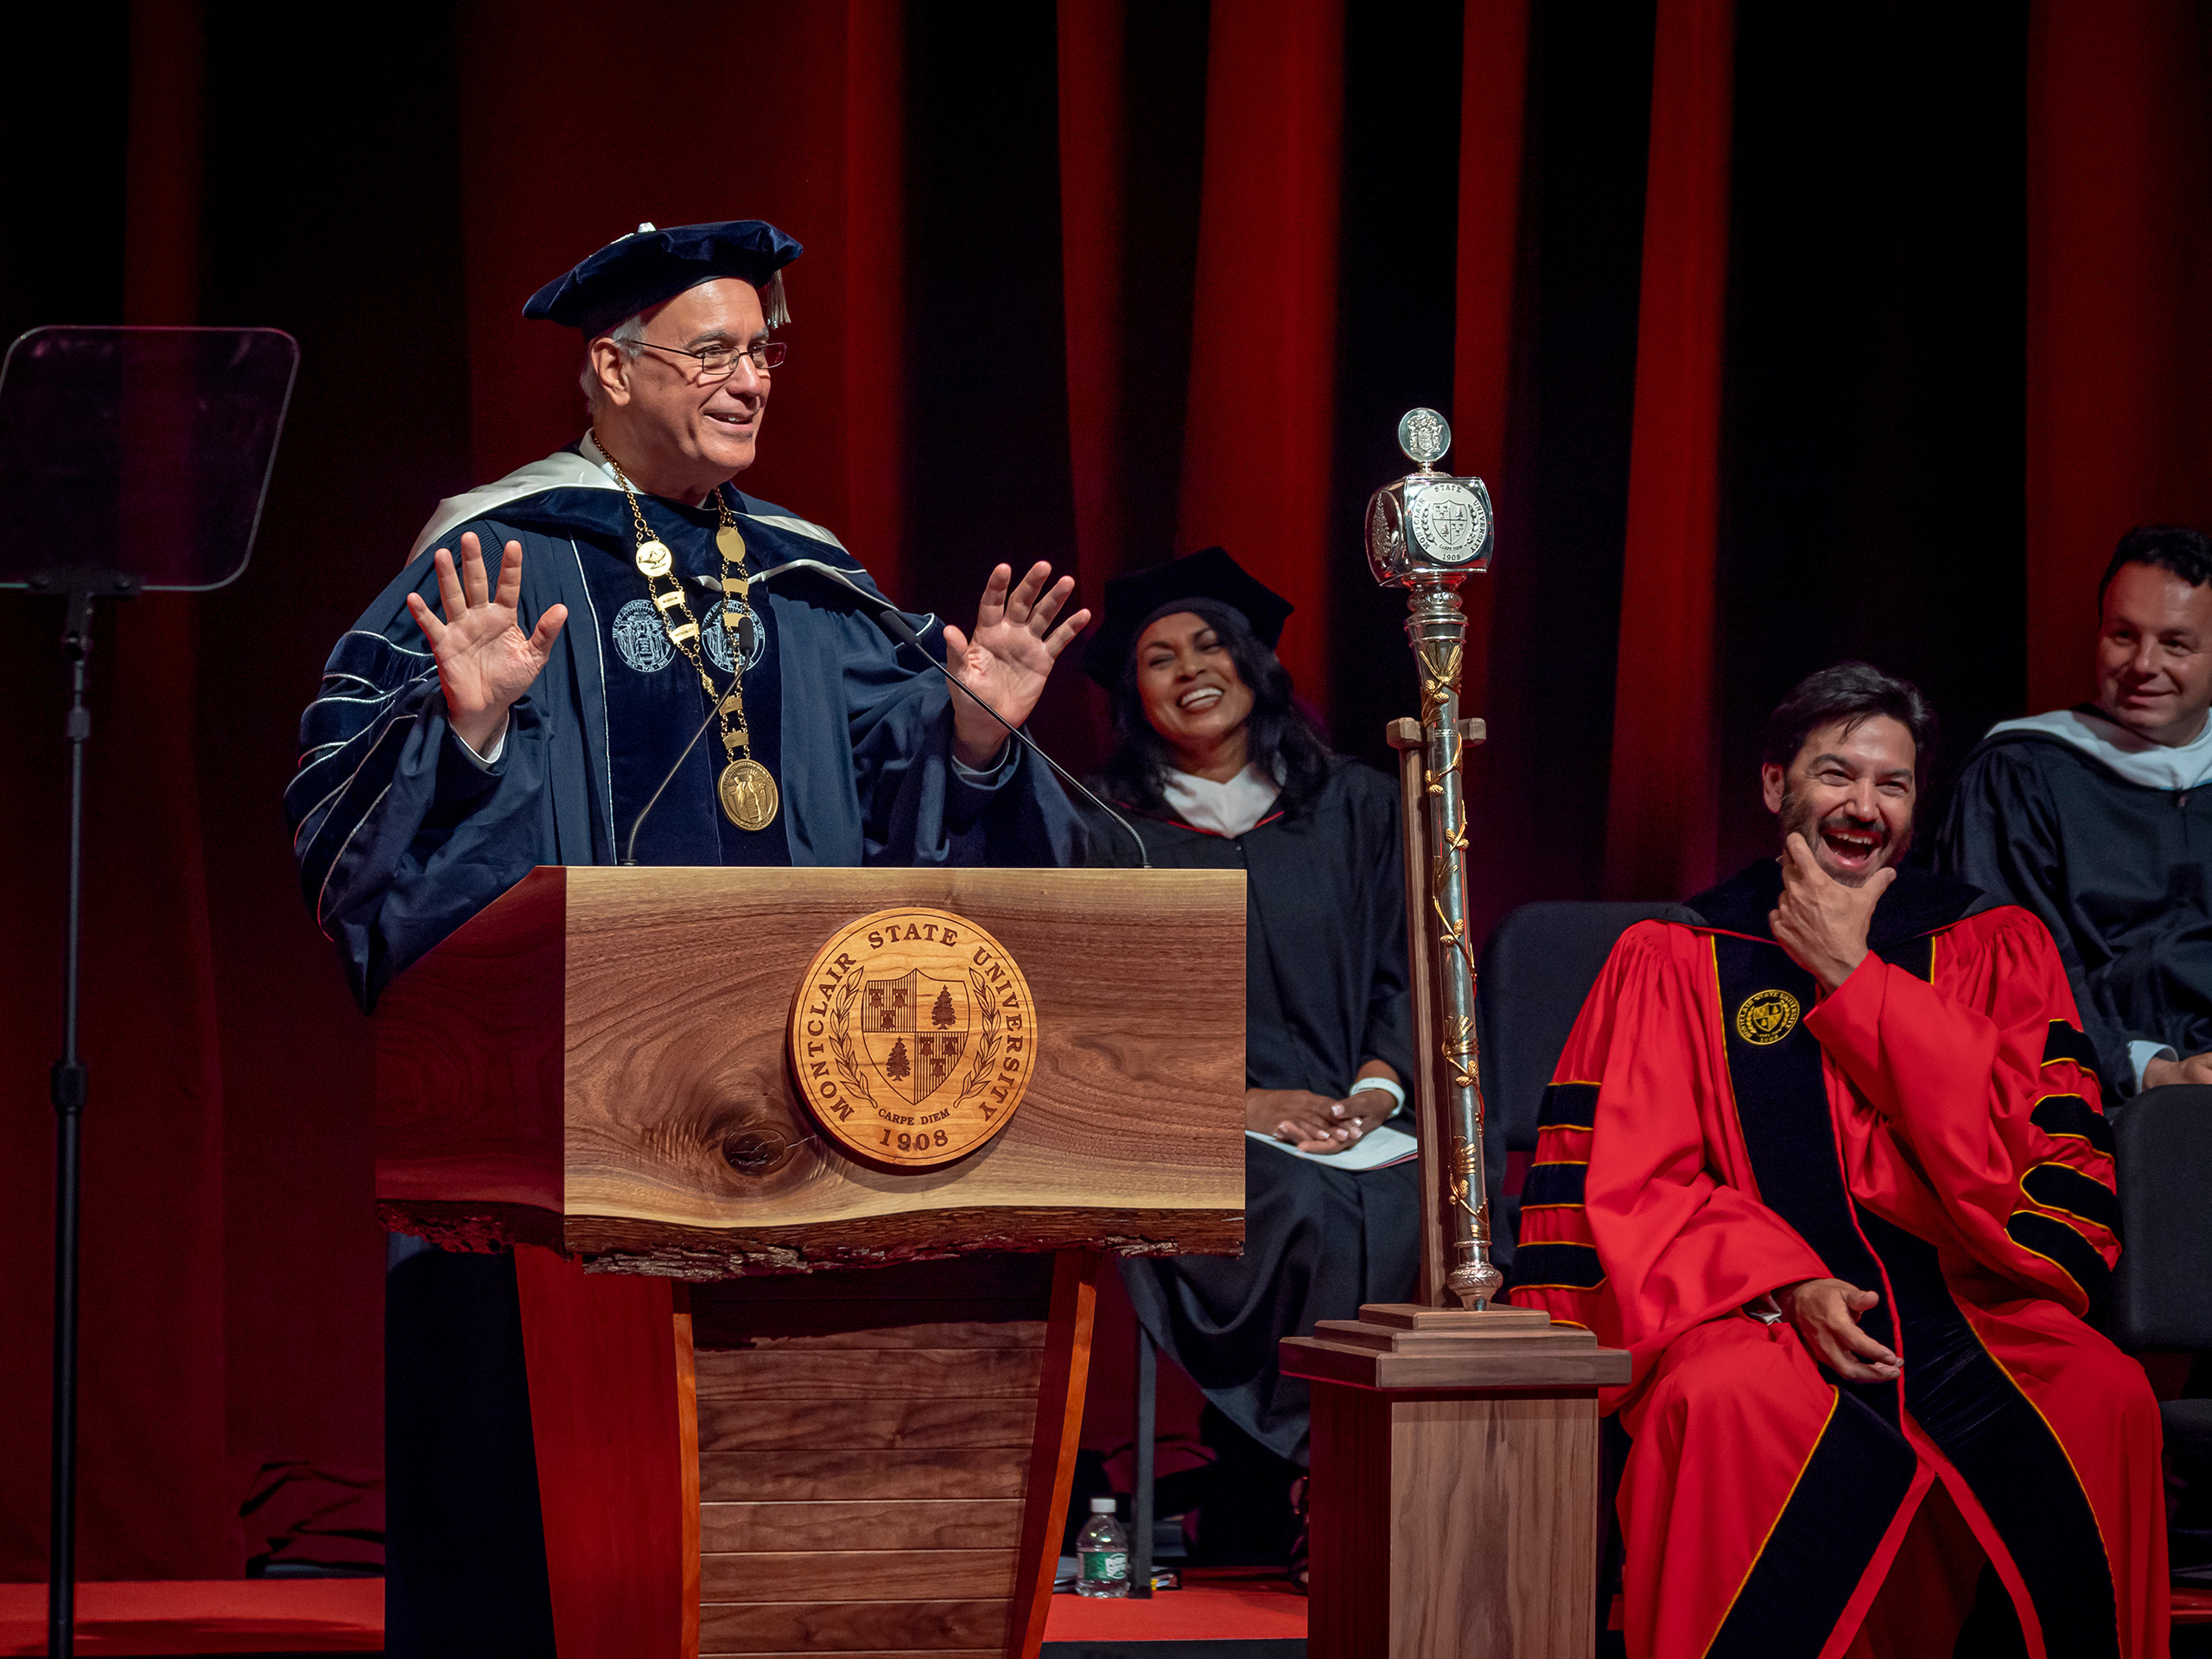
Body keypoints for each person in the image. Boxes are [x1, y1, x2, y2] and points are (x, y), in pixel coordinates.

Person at [286, 220, 1090, 1656]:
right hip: (575, 1124)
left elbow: (910, 818)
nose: (751, 380)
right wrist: (468, 732)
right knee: (541, 1511)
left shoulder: (805, 577)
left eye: (763, 353)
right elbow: (348, 813)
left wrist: (973, 736)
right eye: (713, 352)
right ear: (612, 369)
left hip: (793, 1115)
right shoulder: (496, 556)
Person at [1507, 663, 2165, 1659]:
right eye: (1835, 774)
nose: (1864, 806)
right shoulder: (1678, 955)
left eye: (1891, 783)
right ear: (1776, 783)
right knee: (1718, 1405)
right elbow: (1636, 1187)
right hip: (1754, 1313)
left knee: (2104, 1393)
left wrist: (1851, 976)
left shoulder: (1989, 944)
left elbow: (2016, 1154)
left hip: (1964, 1303)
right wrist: (1785, 1286)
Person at [1074, 547, 1420, 1577]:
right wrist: (1243, 1105)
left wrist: (1371, 1093)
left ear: (1254, 664)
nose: (1190, 669)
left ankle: (1338, 1481)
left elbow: (1409, 969)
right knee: (1303, 1206)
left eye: (1210, 644)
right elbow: (1089, 1013)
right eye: (1159, 657)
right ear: (1133, 694)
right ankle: (1319, 1484)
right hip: (1184, 1123)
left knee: (1412, 1201)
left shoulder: (1354, 806)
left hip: (1359, 1112)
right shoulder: (1105, 829)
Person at [1937, 524, 2212, 1098]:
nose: (2143, 664)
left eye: (2176, 644)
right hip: (2085, 1101)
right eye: (2123, 635)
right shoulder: (2020, 773)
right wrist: (2146, 1070)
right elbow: (2006, 974)